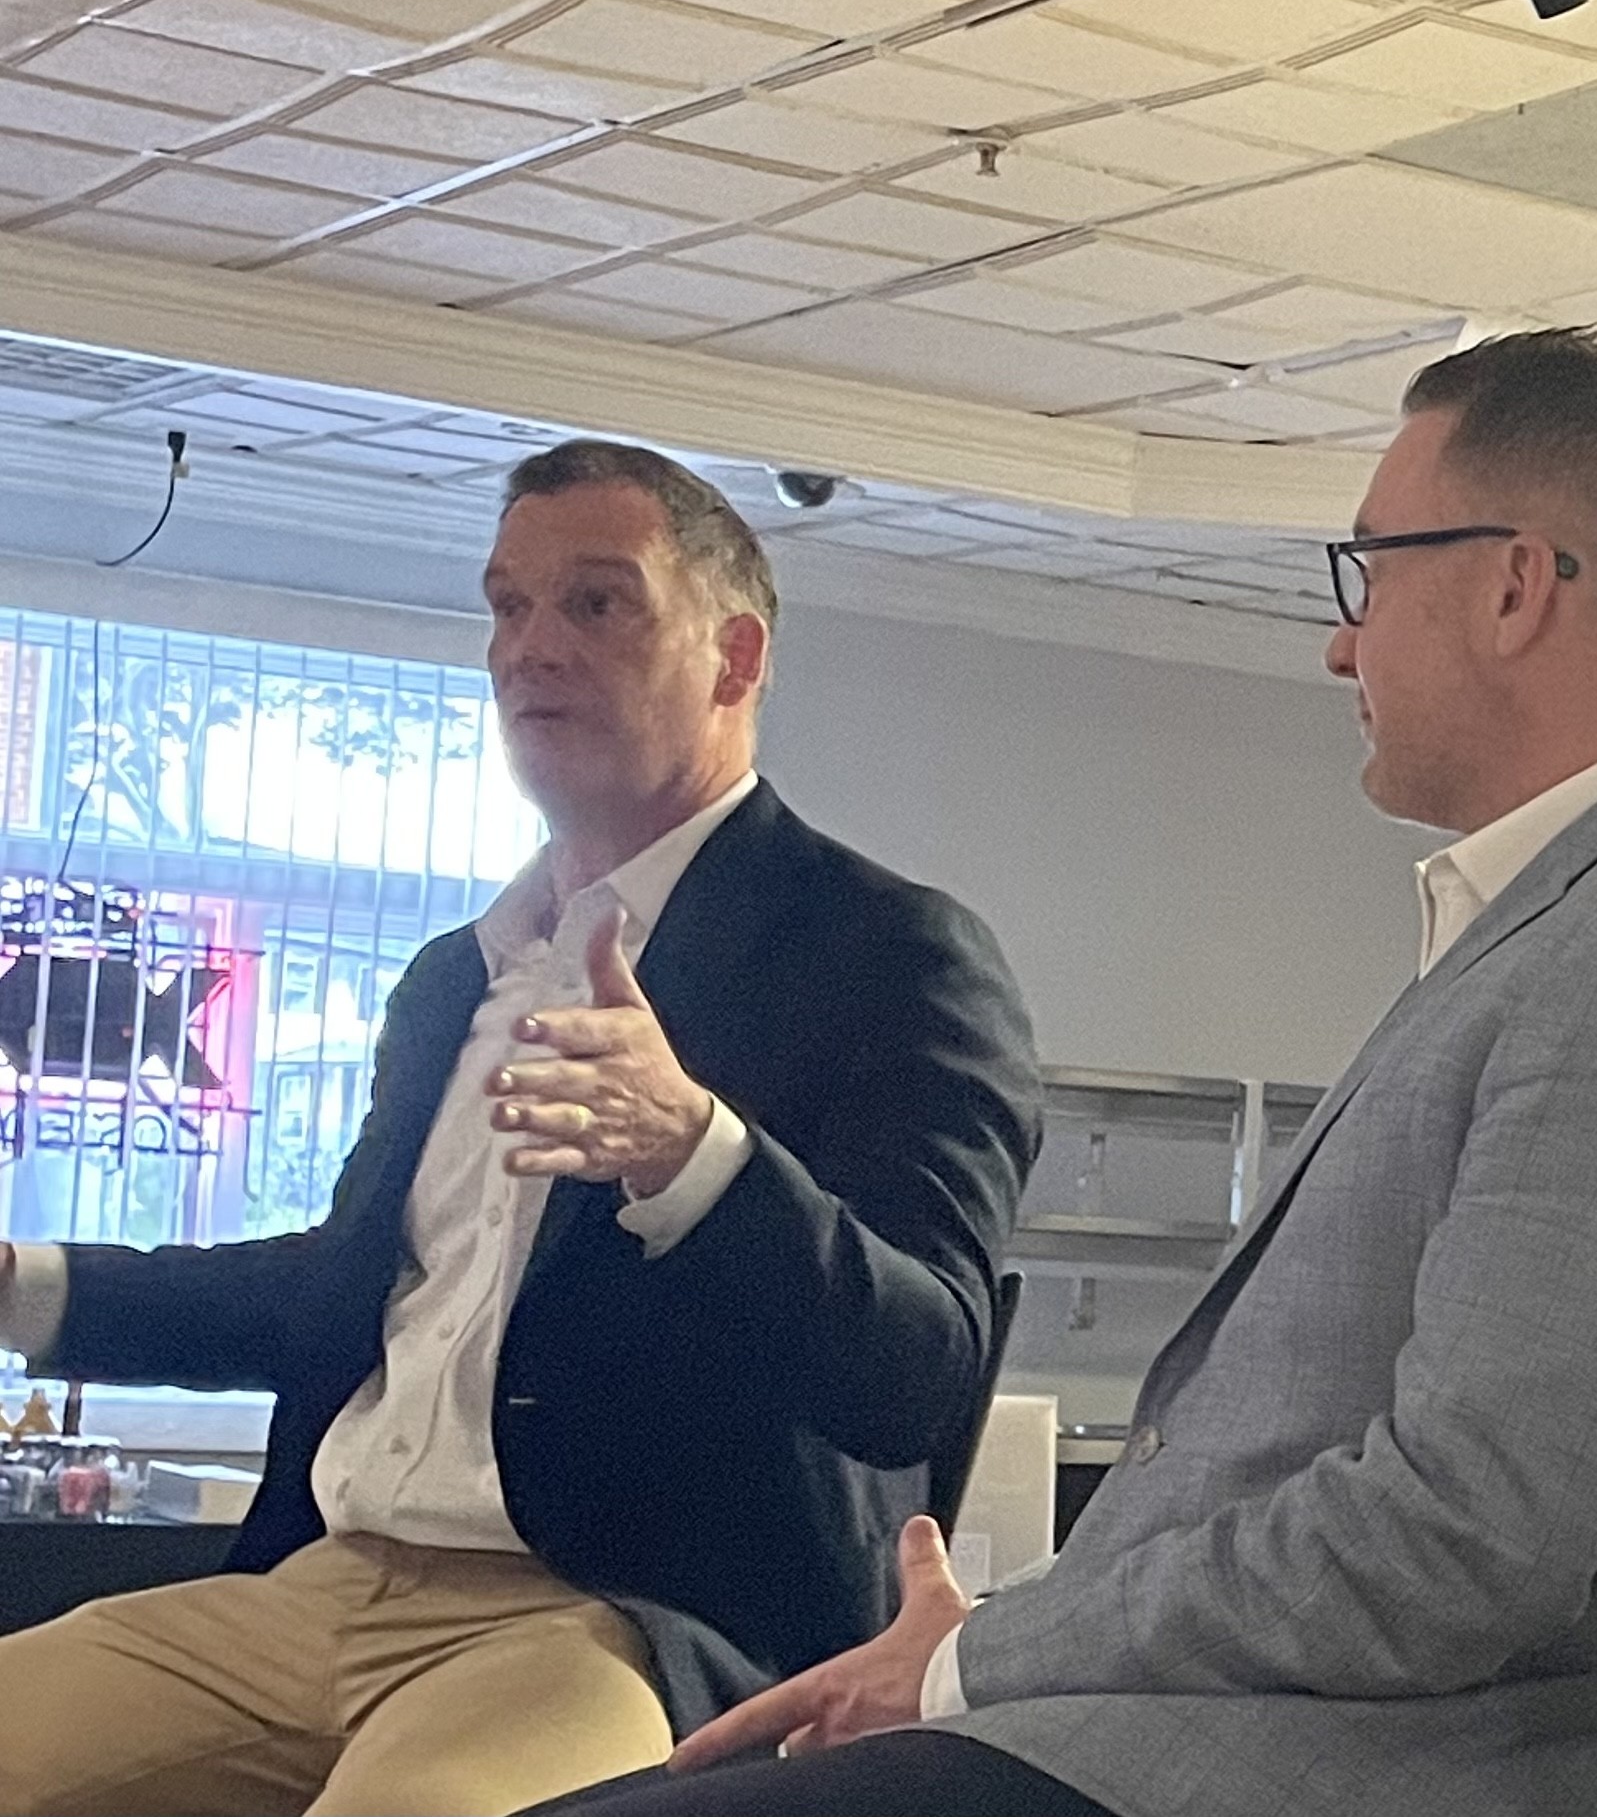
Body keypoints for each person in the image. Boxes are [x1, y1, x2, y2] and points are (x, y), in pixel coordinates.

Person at [534, 327, 1597, 1817]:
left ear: (1515, 585)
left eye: (1370, 571)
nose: (1340, 643)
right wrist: (984, 1657)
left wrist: (979, 1661)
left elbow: (1455, 1543)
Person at [0, 441, 1042, 1817]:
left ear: (734, 658)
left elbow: (918, 1371)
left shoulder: (886, 955)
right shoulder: (458, 977)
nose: (531, 647)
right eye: (508, 605)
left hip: (619, 1618)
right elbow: (336, 1293)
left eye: (597, 603)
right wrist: (26, 1286)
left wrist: (692, 1155)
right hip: (326, 1577)